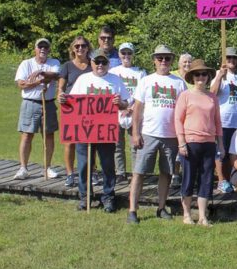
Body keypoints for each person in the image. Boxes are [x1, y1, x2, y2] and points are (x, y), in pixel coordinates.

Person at [62, 48, 131, 212]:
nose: (100, 65)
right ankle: (85, 197)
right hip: (84, 129)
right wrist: (63, 99)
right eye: (97, 62)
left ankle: (108, 197)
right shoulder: (83, 79)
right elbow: (71, 103)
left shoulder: (115, 80)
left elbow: (126, 103)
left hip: (106, 130)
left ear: (108, 63)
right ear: (91, 62)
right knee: (84, 164)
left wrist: (119, 103)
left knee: (107, 165)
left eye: (103, 62)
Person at [127, 45, 188, 224]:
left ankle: (161, 207)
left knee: (166, 172)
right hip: (148, 134)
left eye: (167, 58)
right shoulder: (146, 80)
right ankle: (132, 210)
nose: (163, 61)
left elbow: (183, 110)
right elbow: (138, 109)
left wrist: (181, 136)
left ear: (171, 61)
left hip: (171, 135)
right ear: (154, 60)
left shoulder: (178, 82)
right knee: (139, 172)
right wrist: (135, 133)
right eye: (160, 58)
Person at [175, 60, 223, 226]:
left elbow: (217, 122)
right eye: (197, 74)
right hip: (190, 142)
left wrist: (220, 144)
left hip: (209, 143)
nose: (201, 77)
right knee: (188, 178)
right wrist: (181, 142)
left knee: (206, 179)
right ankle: (187, 214)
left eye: (204, 74)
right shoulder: (185, 95)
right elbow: (178, 119)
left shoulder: (212, 97)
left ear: (209, 77)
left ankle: (202, 216)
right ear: (192, 77)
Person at [14, 38, 60, 180]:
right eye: (40, 47)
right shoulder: (26, 63)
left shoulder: (54, 62)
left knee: (48, 135)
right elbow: (21, 84)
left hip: (48, 102)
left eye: (45, 47)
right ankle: (23, 168)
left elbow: (55, 75)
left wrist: (40, 73)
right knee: (27, 134)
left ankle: (47, 168)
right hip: (30, 102)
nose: (43, 49)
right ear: (35, 48)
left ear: (49, 49)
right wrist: (40, 80)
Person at [209, 47, 237, 195]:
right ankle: (221, 181)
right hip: (223, 121)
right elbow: (212, 93)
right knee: (220, 153)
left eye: (235, 58)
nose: (232, 60)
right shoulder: (220, 75)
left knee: (233, 152)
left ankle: (230, 179)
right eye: (229, 58)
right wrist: (219, 76)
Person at [57, 36, 92, 187]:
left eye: (83, 46)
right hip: (72, 108)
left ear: (88, 48)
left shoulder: (93, 64)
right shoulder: (67, 66)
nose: (80, 49)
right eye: (77, 46)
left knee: (91, 141)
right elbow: (61, 87)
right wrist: (60, 95)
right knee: (70, 142)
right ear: (73, 49)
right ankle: (70, 173)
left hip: (91, 108)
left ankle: (92, 171)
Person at [110, 42, 147, 184]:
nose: (126, 56)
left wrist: (131, 108)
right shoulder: (113, 71)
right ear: (119, 54)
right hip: (117, 111)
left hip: (134, 111)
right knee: (117, 145)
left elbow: (142, 93)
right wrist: (122, 106)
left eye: (129, 53)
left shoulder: (140, 72)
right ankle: (120, 172)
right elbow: (112, 91)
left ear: (133, 54)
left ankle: (135, 172)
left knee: (135, 144)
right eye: (123, 53)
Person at [169, 52, 194, 188]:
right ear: (179, 63)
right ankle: (175, 174)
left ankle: (187, 174)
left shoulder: (193, 77)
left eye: (189, 62)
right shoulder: (173, 76)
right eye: (184, 62)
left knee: (186, 147)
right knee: (175, 146)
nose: (187, 64)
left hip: (189, 118)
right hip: (173, 116)